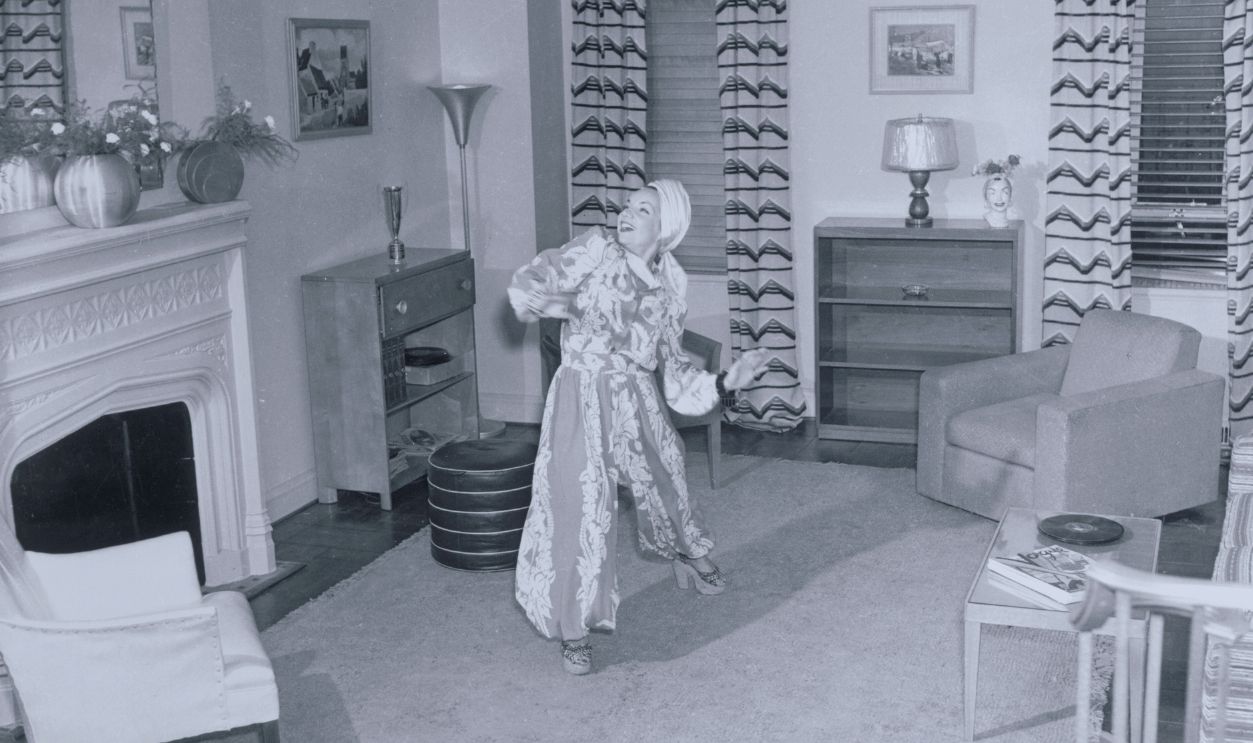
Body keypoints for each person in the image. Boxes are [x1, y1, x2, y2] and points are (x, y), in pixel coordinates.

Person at [507, 179, 769, 675]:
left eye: (642, 210)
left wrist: (727, 381)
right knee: (580, 506)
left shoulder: (669, 288)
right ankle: (574, 628)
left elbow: (676, 372)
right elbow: (536, 278)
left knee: (666, 480)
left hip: (636, 396)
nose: (626, 214)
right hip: (580, 394)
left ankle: (688, 554)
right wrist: (548, 299)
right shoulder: (595, 249)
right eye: (627, 206)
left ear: (666, 227)